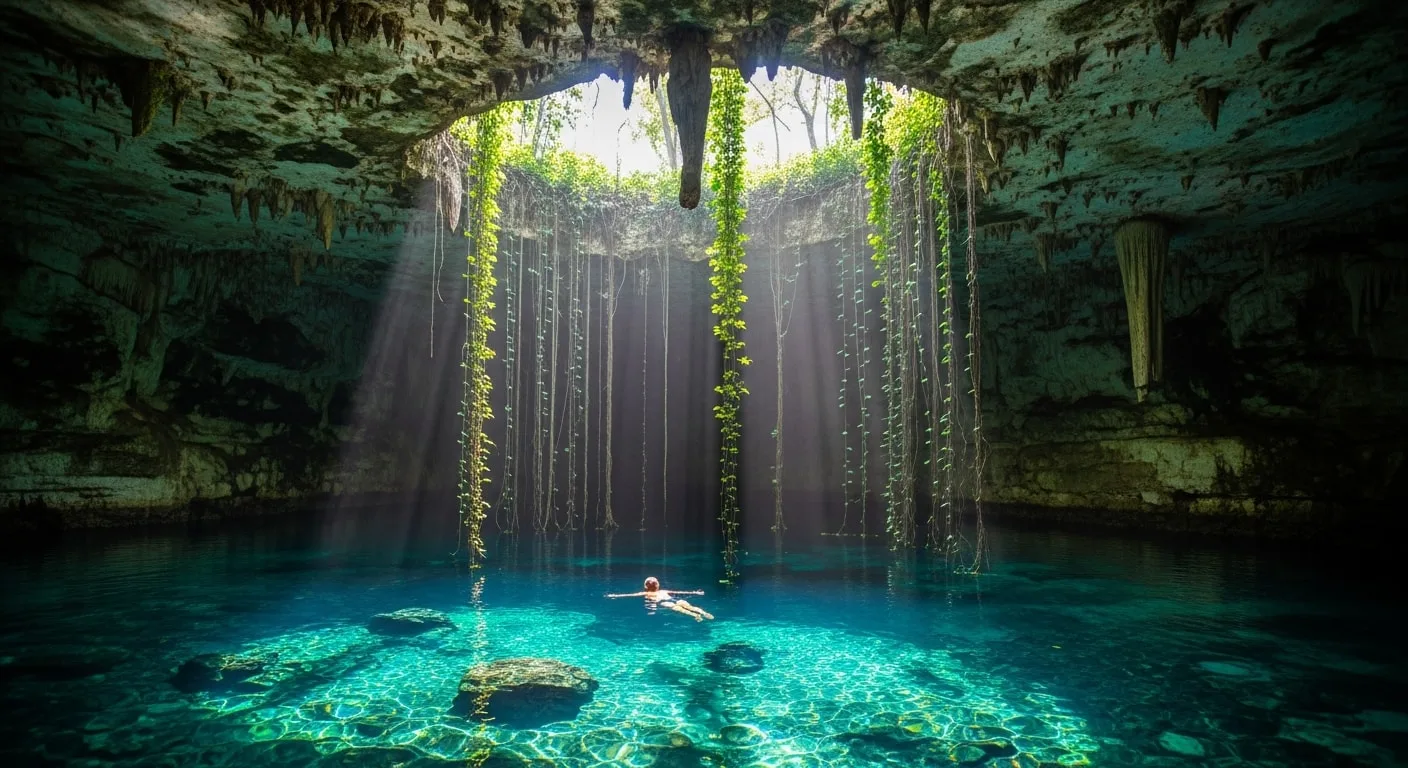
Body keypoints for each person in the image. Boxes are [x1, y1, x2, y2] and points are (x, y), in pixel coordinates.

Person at [607, 576, 714, 621]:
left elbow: (629, 595)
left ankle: (696, 616)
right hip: (674, 599)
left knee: (680, 610)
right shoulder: (664, 591)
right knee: (690, 606)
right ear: (658, 585)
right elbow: (680, 592)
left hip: (664, 603)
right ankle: (703, 613)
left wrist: (615, 596)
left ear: (646, 586)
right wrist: (695, 592)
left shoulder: (646, 593)